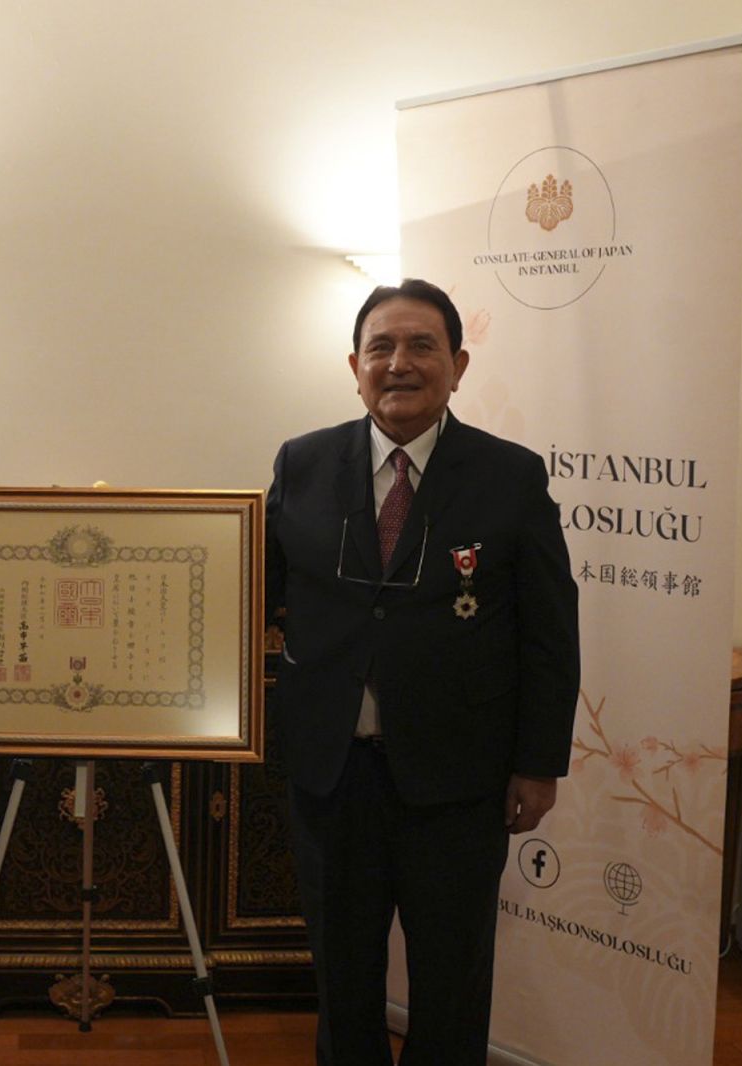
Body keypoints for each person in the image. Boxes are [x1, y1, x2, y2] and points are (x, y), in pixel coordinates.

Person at [264, 279, 579, 1065]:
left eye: (421, 346)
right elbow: (254, 593)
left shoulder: (510, 476)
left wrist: (538, 764)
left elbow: (549, 632)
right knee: (343, 980)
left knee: (451, 983)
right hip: (332, 775)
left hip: (459, 781)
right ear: (355, 366)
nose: (399, 363)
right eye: (381, 347)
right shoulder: (302, 463)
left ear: (458, 365)